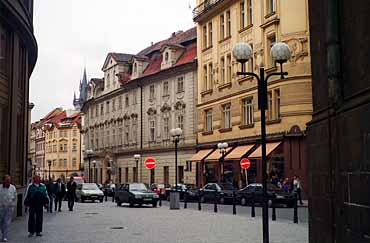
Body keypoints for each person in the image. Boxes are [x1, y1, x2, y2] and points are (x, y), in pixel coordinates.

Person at [0, 175, 17, 242]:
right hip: (1, 207)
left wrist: (13, 206)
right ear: (3, 180)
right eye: (7, 180)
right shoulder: (0, 188)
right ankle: (3, 232)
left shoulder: (13, 188)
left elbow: (15, 198)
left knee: (7, 222)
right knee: (1, 222)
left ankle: (5, 236)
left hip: (9, 208)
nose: (8, 181)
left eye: (9, 180)